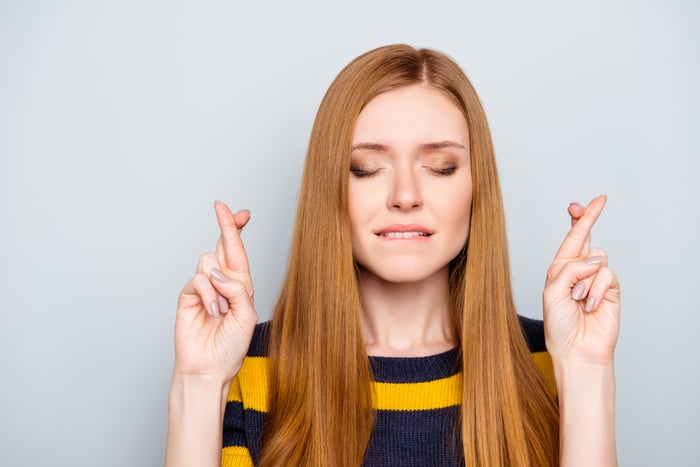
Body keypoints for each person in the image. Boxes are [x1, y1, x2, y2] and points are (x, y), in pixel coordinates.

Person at [165, 44, 620, 467]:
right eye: (366, 169)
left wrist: (586, 371)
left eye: (441, 166)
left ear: (477, 188)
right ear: (331, 190)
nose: (406, 195)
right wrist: (199, 381)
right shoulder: (251, 370)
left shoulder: (550, 360)